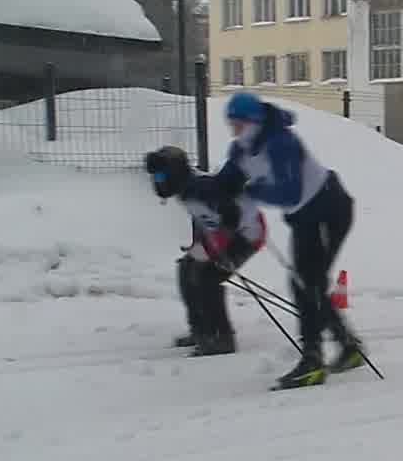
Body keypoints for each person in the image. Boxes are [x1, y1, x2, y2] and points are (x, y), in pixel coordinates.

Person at [216, 92, 364, 389]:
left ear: (255, 122)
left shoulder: (282, 142)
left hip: (329, 210)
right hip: (302, 219)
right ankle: (347, 347)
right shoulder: (241, 150)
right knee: (307, 282)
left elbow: (289, 193)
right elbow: (225, 182)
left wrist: (250, 191)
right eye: (231, 125)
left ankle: (313, 361)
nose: (234, 131)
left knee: (307, 282)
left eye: (239, 125)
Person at [145, 145, 266, 357]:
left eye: (161, 174)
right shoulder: (185, 192)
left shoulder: (202, 189)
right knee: (186, 268)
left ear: (174, 172)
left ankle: (222, 337)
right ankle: (201, 330)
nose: (157, 180)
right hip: (222, 235)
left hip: (247, 234)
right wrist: (197, 247)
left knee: (207, 277)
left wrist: (222, 253)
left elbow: (229, 217)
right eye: (155, 175)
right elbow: (202, 220)